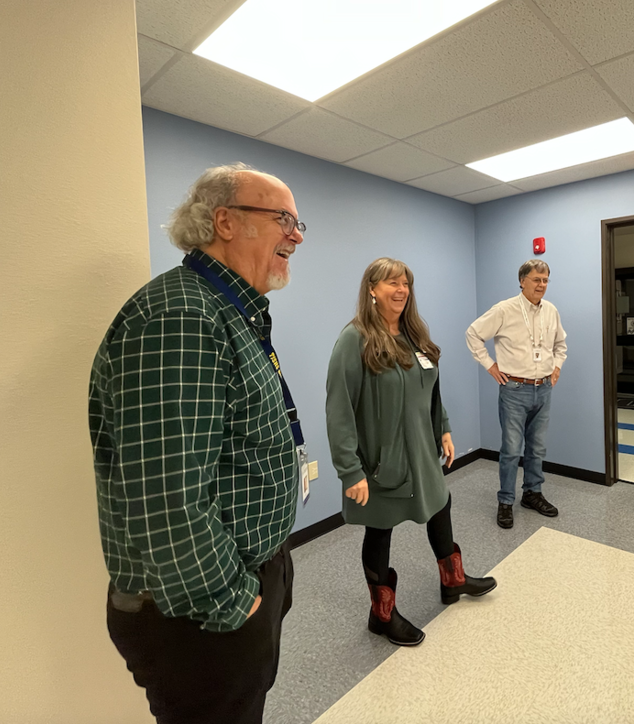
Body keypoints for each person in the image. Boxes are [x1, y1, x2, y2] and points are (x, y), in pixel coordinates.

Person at [89, 164, 306, 724]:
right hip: (200, 615)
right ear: (225, 222)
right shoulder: (184, 315)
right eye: (283, 218)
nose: (297, 235)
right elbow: (168, 499)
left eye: (299, 222)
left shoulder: (232, 311)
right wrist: (235, 603)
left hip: (241, 580)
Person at [326, 258, 496, 647]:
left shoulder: (414, 334)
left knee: (441, 504)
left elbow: (431, 391)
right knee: (379, 529)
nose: (401, 290)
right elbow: (338, 409)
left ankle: (453, 580)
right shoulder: (354, 340)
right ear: (372, 288)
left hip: (421, 449)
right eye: (391, 283)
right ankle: (381, 615)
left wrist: (445, 429)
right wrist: (349, 470)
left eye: (405, 283)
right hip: (381, 460)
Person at [466, 259, 568, 529]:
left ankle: (532, 494)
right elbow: (473, 334)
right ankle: (506, 501)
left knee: (537, 448)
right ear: (522, 281)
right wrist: (490, 365)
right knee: (511, 450)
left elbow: (561, 344)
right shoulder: (505, 310)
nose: (542, 285)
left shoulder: (551, 311)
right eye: (536, 280)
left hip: (543, 389)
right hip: (515, 390)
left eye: (545, 280)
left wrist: (556, 367)